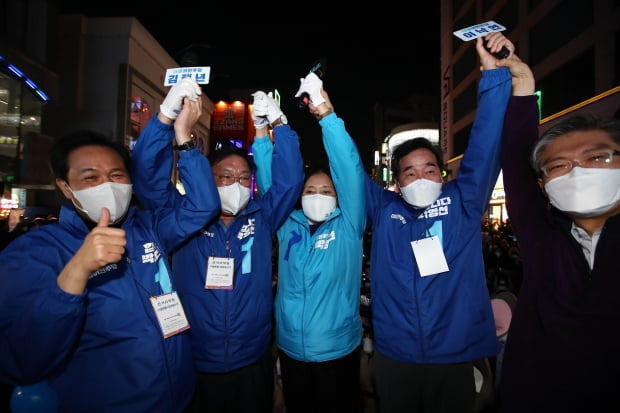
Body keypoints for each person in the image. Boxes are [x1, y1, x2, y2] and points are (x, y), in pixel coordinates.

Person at [0, 78, 221, 412]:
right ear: (65, 186)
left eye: (117, 175)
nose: (107, 184)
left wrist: (175, 131)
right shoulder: (36, 252)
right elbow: (20, 362)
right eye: (90, 177)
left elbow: (202, 207)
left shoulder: (148, 228)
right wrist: (76, 273)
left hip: (177, 399)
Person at [363, 32, 514, 413]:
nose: (420, 178)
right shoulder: (385, 210)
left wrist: (493, 78)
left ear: (443, 175)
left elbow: (483, 147)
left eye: (429, 169)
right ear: (396, 183)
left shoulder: (462, 201)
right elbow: (349, 171)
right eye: (410, 173)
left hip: (456, 355)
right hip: (396, 356)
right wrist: (328, 117)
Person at [131, 89, 304, 412]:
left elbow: (291, 179)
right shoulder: (182, 216)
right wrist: (165, 118)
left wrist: (280, 123)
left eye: (242, 178)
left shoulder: (262, 216)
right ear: (205, 180)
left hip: (251, 360)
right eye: (224, 177)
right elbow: (148, 178)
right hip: (194, 360)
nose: (235, 185)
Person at [497, 46, 620, 412]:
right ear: (543, 184)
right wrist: (523, 86)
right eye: (560, 165)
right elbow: (517, 162)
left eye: (597, 157)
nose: (578, 172)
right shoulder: (543, 240)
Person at [251, 76, 366, 412]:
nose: (318, 196)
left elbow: (348, 168)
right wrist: (262, 133)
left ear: (339, 197)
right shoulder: (289, 225)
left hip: (337, 351)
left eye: (327, 192)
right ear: (299, 199)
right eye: (310, 191)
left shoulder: (349, 225)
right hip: (290, 350)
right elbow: (272, 183)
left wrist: (327, 116)